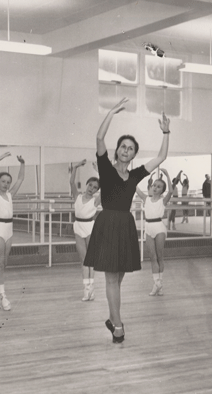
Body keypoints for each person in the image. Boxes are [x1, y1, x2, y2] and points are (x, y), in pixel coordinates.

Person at [84, 97, 170, 343]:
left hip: (124, 225)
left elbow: (161, 157)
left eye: (130, 148)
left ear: (133, 154)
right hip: (108, 223)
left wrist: (166, 132)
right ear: (117, 149)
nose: (126, 150)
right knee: (112, 278)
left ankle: (113, 319)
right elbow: (99, 139)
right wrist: (111, 112)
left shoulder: (135, 175)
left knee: (118, 278)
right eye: (123, 146)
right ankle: (118, 326)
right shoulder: (106, 169)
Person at [0, 152, 25, 312]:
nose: (6, 184)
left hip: (9, 230)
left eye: (8, 182)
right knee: (0, 264)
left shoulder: (10, 195)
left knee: (4, 264)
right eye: (3, 181)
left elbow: (21, 179)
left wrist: (22, 164)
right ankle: (3, 295)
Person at [136, 168, 172, 295]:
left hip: (159, 227)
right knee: (152, 257)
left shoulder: (163, 200)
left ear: (162, 190)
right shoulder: (146, 199)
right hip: (148, 227)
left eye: (159, 186)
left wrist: (167, 175)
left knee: (159, 256)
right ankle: (157, 284)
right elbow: (136, 188)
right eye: (154, 185)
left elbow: (171, 191)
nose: (156, 188)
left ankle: (158, 283)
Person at [70, 159, 101, 301]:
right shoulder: (77, 196)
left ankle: (92, 288)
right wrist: (75, 167)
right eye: (90, 185)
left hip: (90, 227)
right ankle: (86, 289)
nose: (91, 188)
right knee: (83, 260)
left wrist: (98, 170)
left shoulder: (95, 200)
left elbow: (107, 185)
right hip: (78, 227)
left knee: (91, 259)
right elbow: (71, 183)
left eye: (95, 187)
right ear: (87, 185)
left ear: (97, 190)